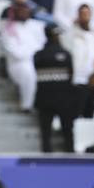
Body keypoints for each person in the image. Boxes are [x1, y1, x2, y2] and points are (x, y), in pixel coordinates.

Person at [33, 24, 74, 153]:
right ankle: (71, 156)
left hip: (46, 98)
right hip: (61, 98)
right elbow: (71, 74)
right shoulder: (65, 54)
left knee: (47, 133)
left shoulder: (38, 55)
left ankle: (47, 156)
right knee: (66, 130)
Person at [0, 2, 46, 112]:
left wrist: (34, 53)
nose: (23, 13)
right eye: (20, 11)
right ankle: (27, 105)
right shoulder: (8, 28)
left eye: (25, 10)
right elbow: (14, 51)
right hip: (18, 63)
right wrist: (32, 53)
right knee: (28, 71)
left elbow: (43, 43)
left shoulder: (37, 25)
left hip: (38, 59)